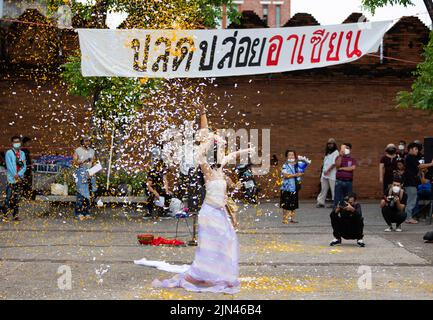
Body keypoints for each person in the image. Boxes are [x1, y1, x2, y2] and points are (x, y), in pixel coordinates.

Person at [150, 107, 253, 294]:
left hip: (220, 213)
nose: (221, 156)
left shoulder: (221, 170)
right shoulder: (207, 171)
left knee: (228, 241)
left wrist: (248, 149)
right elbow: (199, 155)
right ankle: (204, 275)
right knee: (210, 247)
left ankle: (219, 273)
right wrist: (210, 139)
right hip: (209, 212)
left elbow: (232, 155)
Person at [404, 142, 433, 224]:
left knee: (412, 199)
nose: (417, 151)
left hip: (412, 182)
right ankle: (408, 218)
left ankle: (408, 217)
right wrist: (431, 164)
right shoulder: (410, 157)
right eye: (415, 149)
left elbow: (418, 168)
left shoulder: (412, 158)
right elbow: (419, 166)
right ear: (410, 149)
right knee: (411, 200)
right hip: (410, 182)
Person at [2, 136, 26, 222]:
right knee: (8, 197)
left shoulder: (22, 153)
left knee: (17, 197)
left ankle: (15, 215)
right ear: (12, 143)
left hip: (19, 178)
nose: (17, 143)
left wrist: (19, 175)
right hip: (11, 179)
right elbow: (9, 166)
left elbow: (24, 166)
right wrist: (15, 175)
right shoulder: (9, 153)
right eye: (15, 142)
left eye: (18, 142)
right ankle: (5, 215)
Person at [73, 136, 97, 221]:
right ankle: (78, 213)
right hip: (81, 173)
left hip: (89, 173)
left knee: (89, 194)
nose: (88, 143)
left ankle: (87, 212)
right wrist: (82, 161)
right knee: (81, 193)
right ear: (82, 142)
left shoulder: (92, 151)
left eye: (89, 141)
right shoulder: (78, 150)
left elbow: (94, 162)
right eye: (86, 141)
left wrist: (94, 170)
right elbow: (74, 163)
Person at [280, 149, 303, 224]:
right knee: (285, 204)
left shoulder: (297, 166)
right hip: (286, 188)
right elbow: (285, 175)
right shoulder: (285, 165)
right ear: (287, 156)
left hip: (294, 187)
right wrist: (296, 175)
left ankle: (292, 219)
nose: (291, 156)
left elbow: (300, 175)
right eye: (289, 155)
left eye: (292, 155)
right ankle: (285, 218)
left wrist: (300, 175)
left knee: (294, 204)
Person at [316, 138, 339, 208]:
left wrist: (328, 171)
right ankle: (321, 202)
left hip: (332, 174)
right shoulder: (327, 153)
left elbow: (334, 164)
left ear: (334, 144)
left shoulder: (336, 152)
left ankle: (335, 203)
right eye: (328, 143)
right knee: (323, 189)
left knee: (334, 189)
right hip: (324, 174)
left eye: (331, 143)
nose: (330, 145)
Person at [334, 143, 357, 208]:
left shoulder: (352, 159)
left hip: (348, 182)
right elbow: (337, 166)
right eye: (344, 148)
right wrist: (340, 156)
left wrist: (342, 168)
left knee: (349, 199)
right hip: (339, 181)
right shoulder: (338, 157)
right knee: (337, 199)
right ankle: (336, 213)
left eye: (347, 148)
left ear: (350, 149)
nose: (345, 149)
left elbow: (352, 168)